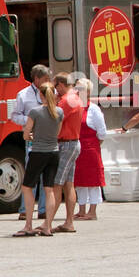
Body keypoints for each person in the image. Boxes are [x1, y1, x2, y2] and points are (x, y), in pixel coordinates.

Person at [13, 83, 61, 237]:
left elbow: (26, 134)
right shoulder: (59, 112)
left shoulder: (35, 112)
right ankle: (48, 225)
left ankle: (28, 224)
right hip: (54, 152)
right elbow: (57, 133)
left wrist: (32, 135)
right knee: (49, 190)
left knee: (27, 187)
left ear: (40, 95)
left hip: (38, 152)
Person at [9, 64, 51, 220]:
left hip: (47, 137)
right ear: (37, 79)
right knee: (31, 174)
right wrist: (30, 120)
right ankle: (25, 209)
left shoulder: (51, 93)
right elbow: (15, 116)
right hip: (32, 139)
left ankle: (43, 209)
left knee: (45, 176)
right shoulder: (23, 94)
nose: (49, 82)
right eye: (46, 79)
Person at [49, 73, 84, 233]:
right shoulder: (76, 97)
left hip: (65, 144)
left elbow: (53, 118)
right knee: (69, 184)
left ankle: (47, 223)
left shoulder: (65, 101)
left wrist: (53, 102)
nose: (55, 91)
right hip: (73, 143)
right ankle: (69, 222)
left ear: (61, 85)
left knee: (57, 183)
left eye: (55, 87)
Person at [73, 79, 108, 221]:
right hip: (78, 150)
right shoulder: (74, 107)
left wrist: (93, 144)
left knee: (93, 181)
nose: (77, 91)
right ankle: (81, 209)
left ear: (87, 92)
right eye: (76, 88)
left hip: (91, 149)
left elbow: (102, 132)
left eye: (80, 88)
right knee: (79, 180)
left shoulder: (94, 109)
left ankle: (92, 211)